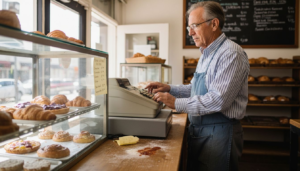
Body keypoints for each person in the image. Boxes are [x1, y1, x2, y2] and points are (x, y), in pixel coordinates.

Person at [145, 1, 249, 171]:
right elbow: (194, 89)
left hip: (220, 133)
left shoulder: (231, 53)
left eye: (194, 26)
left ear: (214, 24)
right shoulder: (206, 54)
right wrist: (169, 88)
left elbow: (218, 100)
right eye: (189, 28)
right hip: (200, 130)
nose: (190, 32)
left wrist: (176, 103)